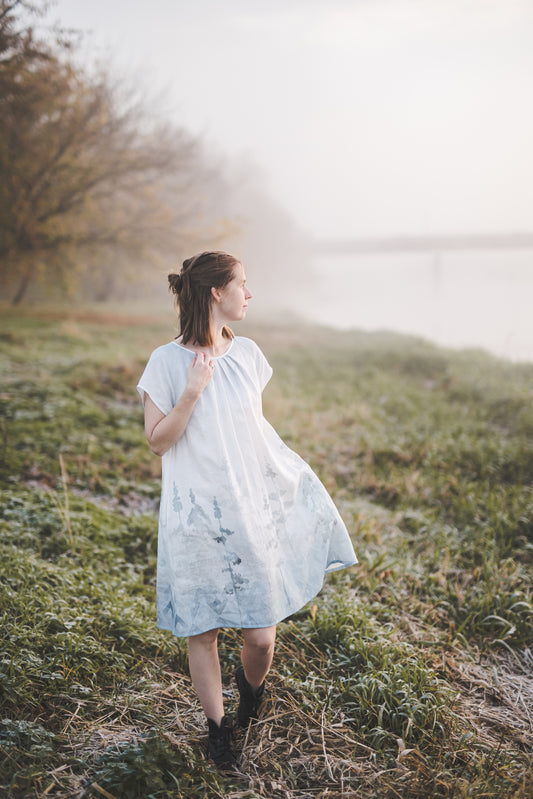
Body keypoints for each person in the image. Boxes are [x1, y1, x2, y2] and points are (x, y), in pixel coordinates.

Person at [136, 251, 357, 771]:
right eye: (242, 284)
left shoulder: (251, 354)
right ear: (217, 292)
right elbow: (157, 443)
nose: (249, 294)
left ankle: (250, 694)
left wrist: (286, 483)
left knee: (260, 635)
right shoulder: (165, 363)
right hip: (194, 517)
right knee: (205, 631)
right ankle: (217, 731)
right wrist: (191, 393)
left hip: (248, 511)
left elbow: (250, 437)